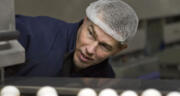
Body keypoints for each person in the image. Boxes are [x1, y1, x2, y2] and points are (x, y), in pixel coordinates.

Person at [6, 0, 138, 78]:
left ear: (119, 50)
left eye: (104, 46)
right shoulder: (34, 34)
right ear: (85, 20)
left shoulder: (104, 80)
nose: (90, 50)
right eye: (91, 34)